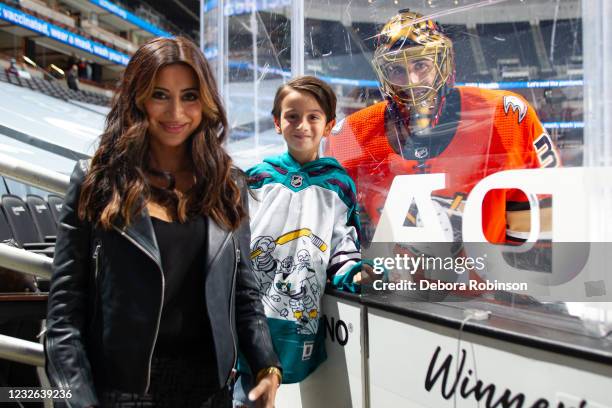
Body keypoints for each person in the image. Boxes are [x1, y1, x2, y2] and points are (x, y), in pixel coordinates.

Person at [45, 36, 281, 408]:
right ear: (137, 98)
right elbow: (63, 314)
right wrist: (78, 399)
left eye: (189, 96)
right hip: (122, 394)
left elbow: (244, 291)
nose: (176, 112)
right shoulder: (96, 180)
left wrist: (267, 364)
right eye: (160, 95)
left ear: (205, 102)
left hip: (210, 393)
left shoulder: (227, 184)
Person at [325, 9, 560, 250]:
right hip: (395, 285)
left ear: (442, 62)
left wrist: (513, 277)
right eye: (397, 70)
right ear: (383, 74)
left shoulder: (505, 115)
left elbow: (544, 216)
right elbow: (339, 235)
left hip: (486, 284)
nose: (412, 81)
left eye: (421, 64)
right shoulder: (348, 136)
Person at [232, 76, 362, 407]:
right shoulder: (258, 178)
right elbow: (235, 243)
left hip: (298, 320)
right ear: (277, 122)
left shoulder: (339, 186)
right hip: (250, 314)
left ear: (329, 124)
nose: (301, 125)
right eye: (292, 116)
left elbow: (343, 247)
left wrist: (354, 273)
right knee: (243, 394)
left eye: (313, 117)